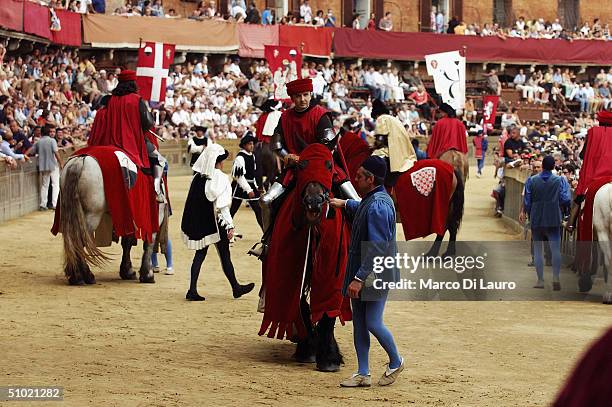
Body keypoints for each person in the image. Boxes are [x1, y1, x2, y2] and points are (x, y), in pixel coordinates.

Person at [330, 156, 404, 387]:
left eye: (360, 176)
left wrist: (359, 278)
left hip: (374, 273)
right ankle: (363, 372)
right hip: (366, 271)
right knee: (360, 322)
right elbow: (362, 207)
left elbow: (377, 247)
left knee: (372, 322)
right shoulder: (374, 199)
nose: (356, 179)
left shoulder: (378, 206)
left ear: (370, 179)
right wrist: (344, 203)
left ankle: (396, 360)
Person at [181, 143, 255, 301]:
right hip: (217, 223)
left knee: (200, 255)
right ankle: (236, 288)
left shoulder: (197, 178)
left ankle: (192, 289)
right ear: (217, 161)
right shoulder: (221, 178)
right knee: (225, 255)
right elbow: (223, 206)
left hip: (202, 222)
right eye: (221, 160)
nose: (223, 163)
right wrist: (230, 226)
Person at [88, 69, 167, 203]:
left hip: (110, 141)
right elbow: (148, 123)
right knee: (160, 160)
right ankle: (156, 191)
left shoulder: (110, 100)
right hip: (132, 142)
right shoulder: (136, 100)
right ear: (133, 83)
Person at [523, 155, 571, 290]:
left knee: (538, 249)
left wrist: (528, 213)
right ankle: (555, 277)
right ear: (554, 167)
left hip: (537, 216)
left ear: (542, 166)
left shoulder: (531, 180)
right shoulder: (560, 180)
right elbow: (566, 199)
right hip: (553, 216)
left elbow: (527, 201)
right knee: (555, 249)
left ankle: (540, 280)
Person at [230, 133, 263, 230]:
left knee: (258, 210)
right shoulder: (240, 158)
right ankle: (225, 231)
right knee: (233, 210)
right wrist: (248, 190)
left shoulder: (252, 156)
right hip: (241, 187)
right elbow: (239, 176)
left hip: (251, 185)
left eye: (252, 143)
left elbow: (253, 174)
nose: (252, 146)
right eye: (249, 144)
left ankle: (265, 234)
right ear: (244, 145)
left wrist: (256, 186)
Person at [31, 124, 62, 211]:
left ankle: (43, 204)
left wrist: (24, 155)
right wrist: (61, 163)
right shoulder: (52, 141)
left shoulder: (39, 141)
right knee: (55, 184)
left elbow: (32, 151)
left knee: (45, 185)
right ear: (48, 133)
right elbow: (56, 153)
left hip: (43, 165)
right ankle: (54, 204)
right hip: (53, 165)